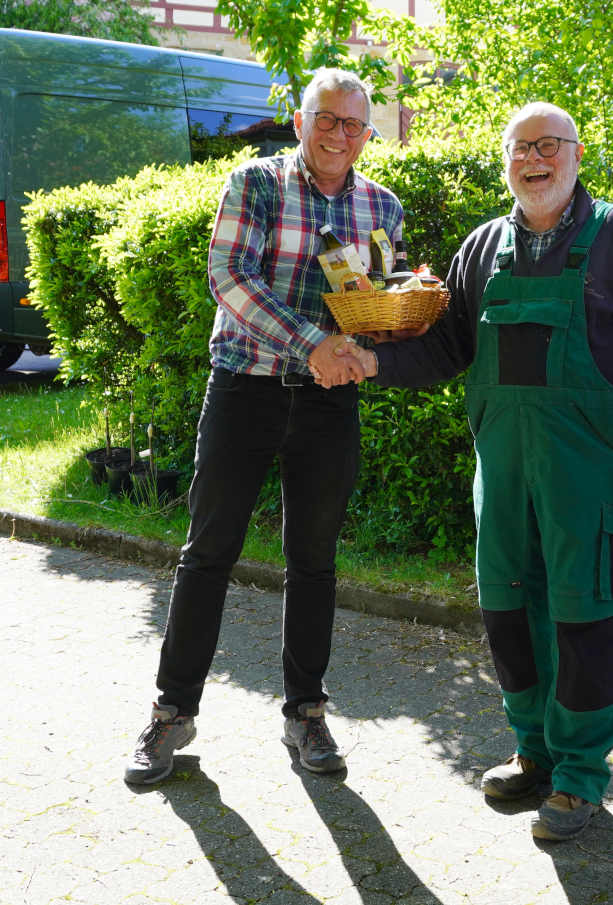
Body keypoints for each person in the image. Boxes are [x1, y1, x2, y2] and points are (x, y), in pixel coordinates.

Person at [340, 102, 613, 841]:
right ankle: (533, 749)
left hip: (584, 470)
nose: (533, 159)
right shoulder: (482, 247)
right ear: (506, 161)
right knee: (505, 607)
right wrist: (372, 361)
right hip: (501, 469)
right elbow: (449, 348)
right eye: (519, 148)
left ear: (576, 153)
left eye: (548, 145)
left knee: (580, 612)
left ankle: (580, 772)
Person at [123, 69, 403, 785]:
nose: (340, 135)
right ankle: (171, 713)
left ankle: (305, 712)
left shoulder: (382, 206)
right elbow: (230, 277)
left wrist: (380, 331)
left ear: (368, 134)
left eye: (354, 124)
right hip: (245, 389)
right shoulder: (255, 184)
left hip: (328, 404)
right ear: (301, 121)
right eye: (327, 119)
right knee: (207, 554)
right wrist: (312, 344)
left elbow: (375, 300)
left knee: (314, 562)